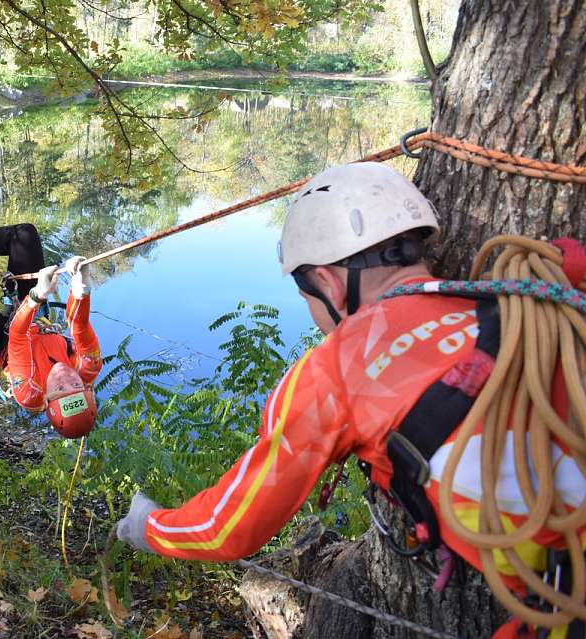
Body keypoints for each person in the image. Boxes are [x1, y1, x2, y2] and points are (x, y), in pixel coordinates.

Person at [114, 162, 586, 638]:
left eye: (306, 297)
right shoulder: (515, 303)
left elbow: (229, 525)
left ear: (329, 283)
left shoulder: (331, 371)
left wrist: (148, 526)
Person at [0, 223, 102, 438]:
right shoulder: (89, 365)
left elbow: (17, 337)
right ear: (86, 386)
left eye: (61, 390)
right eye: (75, 384)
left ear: (47, 399)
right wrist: (81, 284)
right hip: (35, 323)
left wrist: (37, 295)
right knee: (25, 235)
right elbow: (79, 325)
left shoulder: (29, 393)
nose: (66, 377)